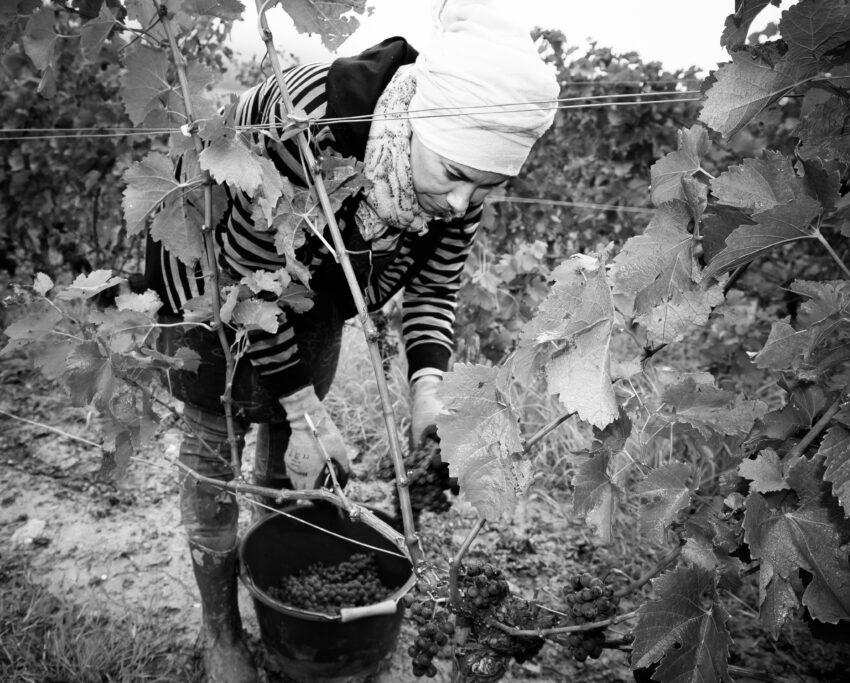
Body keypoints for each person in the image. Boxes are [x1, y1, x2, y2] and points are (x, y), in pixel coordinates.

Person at [143, 1, 559, 679]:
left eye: (487, 188)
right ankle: (222, 633)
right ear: (416, 119)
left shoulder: (463, 183)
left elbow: (434, 289)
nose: (461, 204)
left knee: (292, 461)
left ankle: (278, 588)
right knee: (212, 446)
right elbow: (251, 282)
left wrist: (429, 392)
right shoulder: (307, 122)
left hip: (315, 292)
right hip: (211, 277)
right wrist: (305, 408)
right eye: (454, 176)